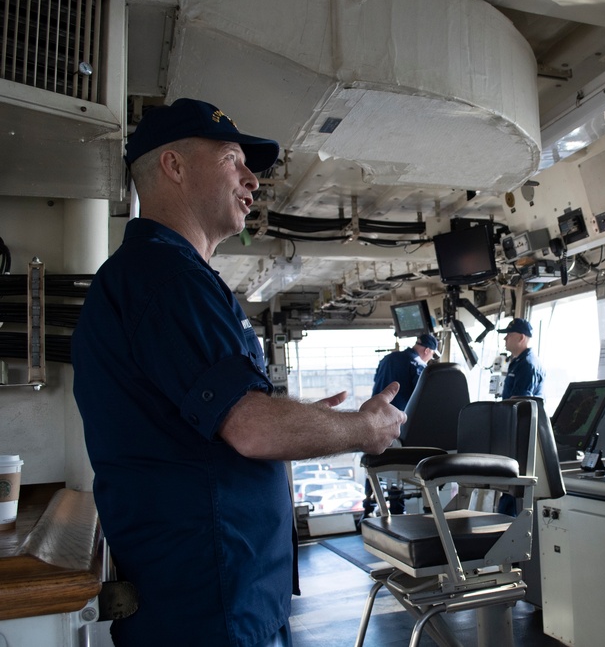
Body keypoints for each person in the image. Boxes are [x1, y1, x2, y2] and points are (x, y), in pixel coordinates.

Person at [71, 98, 406, 647]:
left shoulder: (160, 278)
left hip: (217, 595)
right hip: (212, 606)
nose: (253, 178)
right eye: (232, 159)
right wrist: (363, 430)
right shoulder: (166, 278)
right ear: (173, 167)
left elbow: (219, 417)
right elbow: (252, 429)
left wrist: (294, 418)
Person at [371, 332, 438, 410]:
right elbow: (423, 397)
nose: (431, 358)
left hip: (374, 411)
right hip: (396, 417)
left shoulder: (388, 358)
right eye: (432, 354)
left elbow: (376, 380)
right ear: (427, 350)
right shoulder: (419, 366)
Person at [498, 318, 544, 399]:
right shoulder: (518, 362)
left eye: (509, 334)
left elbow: (520, 404)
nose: (505, 338)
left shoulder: (527, 364)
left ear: (521, 338)